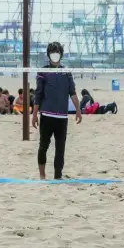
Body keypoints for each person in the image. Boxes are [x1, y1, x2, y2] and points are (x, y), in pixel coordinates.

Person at [32, 42, 82, 180]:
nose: (55, 55)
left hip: (62, 117)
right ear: (49, 55)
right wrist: (34, 115)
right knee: (43, 146)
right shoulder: (43, 71)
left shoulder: (66, 73)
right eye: (53, 52)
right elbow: (38, 94)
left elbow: (73, 93)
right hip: (47, 115)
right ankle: (42, 175)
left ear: (60, 55)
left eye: (57, 52)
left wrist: (78, 110)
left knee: (60, 149)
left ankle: (57, 177)